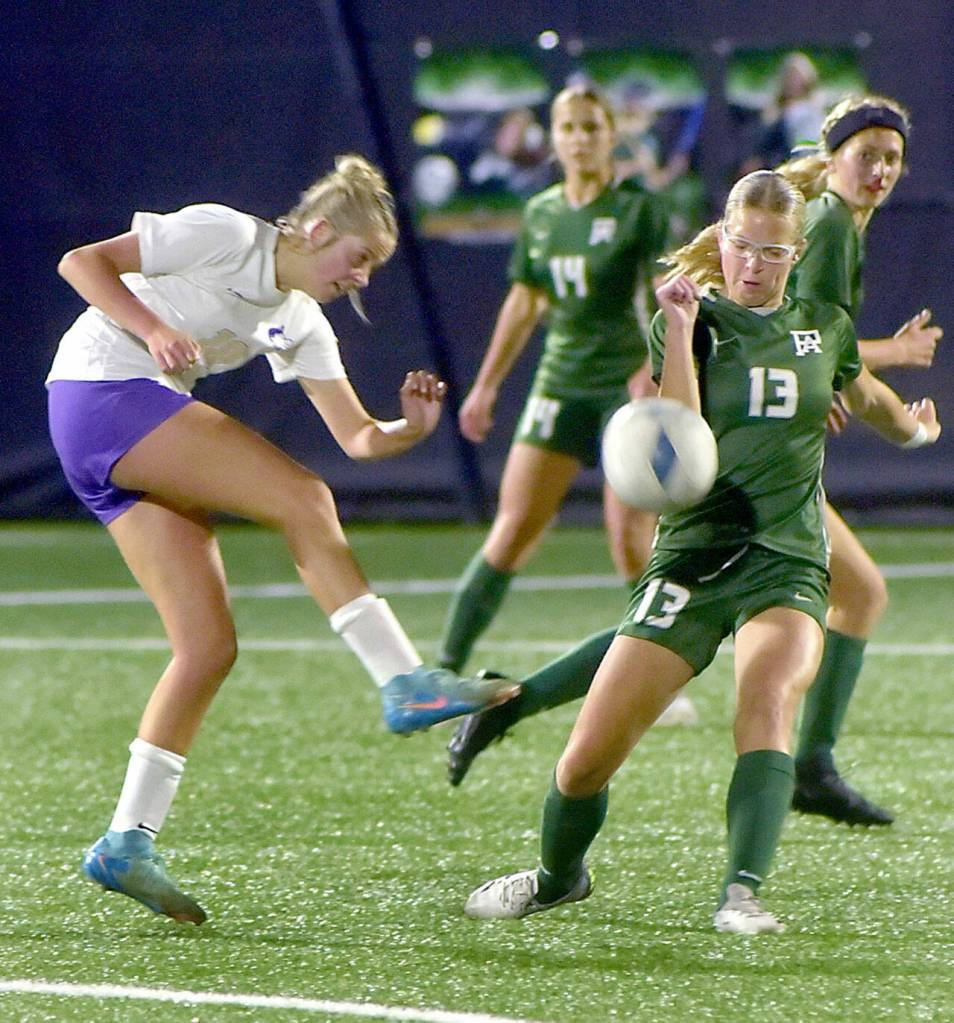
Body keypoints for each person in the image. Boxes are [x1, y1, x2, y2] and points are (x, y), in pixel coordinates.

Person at [462, 170, 939, 934]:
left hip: (784, 556)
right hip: (692, 555)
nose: (754, 263)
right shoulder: (691, 321)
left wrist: (915, 430)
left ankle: (741, 892)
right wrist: (681, 331)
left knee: (768, 698)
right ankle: (556, 878)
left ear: (797, 252)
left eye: (773, 251)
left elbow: (866, 394)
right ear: (722, 238)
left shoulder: (825, 326)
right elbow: (676, 438)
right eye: (743, 245)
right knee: (584, 762)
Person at [47, 154, 516, 924]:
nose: (362, 277)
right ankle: (403, 680)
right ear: (319, 230)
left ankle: (126, 840)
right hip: (101, 389)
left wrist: (409, 429)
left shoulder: (299, 319)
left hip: (117, 424)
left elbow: (358, 437)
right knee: (303, 496)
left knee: (207, 647)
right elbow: (81, 263)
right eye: (358, 257)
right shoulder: (224, 233)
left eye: (374, 268)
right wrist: (153, 327)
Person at [436, 84, 697, 726]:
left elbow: (667, 296)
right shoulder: (542, 212)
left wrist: (652, 366)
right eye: (569, 127)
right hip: (560, 384)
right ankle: (438, 677)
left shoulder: (640, 209)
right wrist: (487, 384)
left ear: (612, 136)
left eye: (591, 127)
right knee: (512, 531)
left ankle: (657, 680)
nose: (580, 139)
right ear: (553, 138)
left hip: (623, 390)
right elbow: (525, 302)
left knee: (629, 539)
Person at [776, 94, 941, 825]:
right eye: (866, 153)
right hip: (754, 451)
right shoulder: (832, 223)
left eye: (891, 158)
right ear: (833, 155)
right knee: (686, 629)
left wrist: (828, 375)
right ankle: (806, 768)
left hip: (764, 440)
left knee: (854, 594)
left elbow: (811, 344)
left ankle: (811, 766)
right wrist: (909, 428)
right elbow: (813, 348)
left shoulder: (835, 221)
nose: (880, 169)